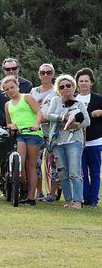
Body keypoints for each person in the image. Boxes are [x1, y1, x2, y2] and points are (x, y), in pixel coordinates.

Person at [47, 74, 90, 209]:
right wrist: (61, 117)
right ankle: (68, 200)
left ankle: (78, 201)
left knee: (75, 172)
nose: (65, 88)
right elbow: (49, 115)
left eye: (68, 85)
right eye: (62, 86)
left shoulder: (79, 103)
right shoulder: (55, 101)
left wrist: (75, 125)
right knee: (62, 173)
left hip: (74, 142)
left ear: (73, 87)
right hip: (58, 142)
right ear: (58, 89)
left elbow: (87, 121)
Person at [0, 57, 33, 193]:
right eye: (7, 69)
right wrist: (9, 122)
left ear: (18, 69)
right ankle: (5, 188)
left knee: (24, 160)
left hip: (24, 128)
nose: (11, 71)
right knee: (4, 157)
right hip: (5, 127)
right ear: (4, 71)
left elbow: (30, 106)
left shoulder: (27, 85)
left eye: (13, 68)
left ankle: (24, 188)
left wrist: (18, 123)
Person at [3, 76, 43, 205]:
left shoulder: (27, 97)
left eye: (12, 87)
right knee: (20, 162)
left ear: (17, 86)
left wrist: (36, 124)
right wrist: (11, 126)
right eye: (7, 89)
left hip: (33, 133)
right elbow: (8, 123)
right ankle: (23, 188)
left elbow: (38, 112)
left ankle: (31, 197)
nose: (10, 90)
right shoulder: (7, 105)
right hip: (20, 134)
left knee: (31, 164)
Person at [74, 68, 102, 208]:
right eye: (81, 81)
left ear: (91, 83)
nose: (84, 83)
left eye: (86, 81)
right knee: (81, 172)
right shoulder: (73, 99)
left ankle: (94, 200)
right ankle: (84, 198)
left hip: (95, 141)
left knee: (95, 172)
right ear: (77, 83)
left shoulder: (98, 99)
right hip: (77, 141)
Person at [30, 63, 57, 201]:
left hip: (52, 130)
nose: (45, 75)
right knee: (35, 162)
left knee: (54, 162)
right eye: (42, 72)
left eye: (48, 72)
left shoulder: (58, 90)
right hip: (37, 131)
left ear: (53, 74)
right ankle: (39, 192)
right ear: (39, 74)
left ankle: (51, 194)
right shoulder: (33, 91)